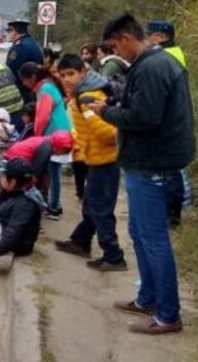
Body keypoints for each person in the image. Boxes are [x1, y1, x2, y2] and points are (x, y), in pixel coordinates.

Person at [85, 13, 195, 335]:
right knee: (139, 233)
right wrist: (115, 96)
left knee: (153, 239)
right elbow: (141, 102)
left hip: (152, 165)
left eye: (115, 46)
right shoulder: (150, 64)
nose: (117, 53)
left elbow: (144, 118)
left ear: (125, 39)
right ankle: (148, 297)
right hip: (146, 162)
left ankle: (168, 315)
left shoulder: (152, 66)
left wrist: (106, 111)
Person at [54, 54, 127, 271]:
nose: (67, 79)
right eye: (63, 75)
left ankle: (114, 257)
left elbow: (106, 131)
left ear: (83, 73)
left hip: (105, 159)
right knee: (91, 204)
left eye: (71, 74)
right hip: (96, 158)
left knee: (100, 208)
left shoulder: (87, 97)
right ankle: (80, 241)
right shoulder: (83, 92)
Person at [18, 62, 72, 219]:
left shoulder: (45, 89)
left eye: (24, 80)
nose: (23, 83)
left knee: (53, 172)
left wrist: (37, 136)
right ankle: (54, 204)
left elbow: (42, 116)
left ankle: (54, 207)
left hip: (55, 134)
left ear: (33, 77)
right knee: (52, 171)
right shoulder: (48, 86)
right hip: (59, 132)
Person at [5, 19, 43, 101]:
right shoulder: (32, 43)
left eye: (10, 31)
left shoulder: (20, 47)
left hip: (24, 89)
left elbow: (10, 68)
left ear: (14, 32)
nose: (9, 34)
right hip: (35, 85)